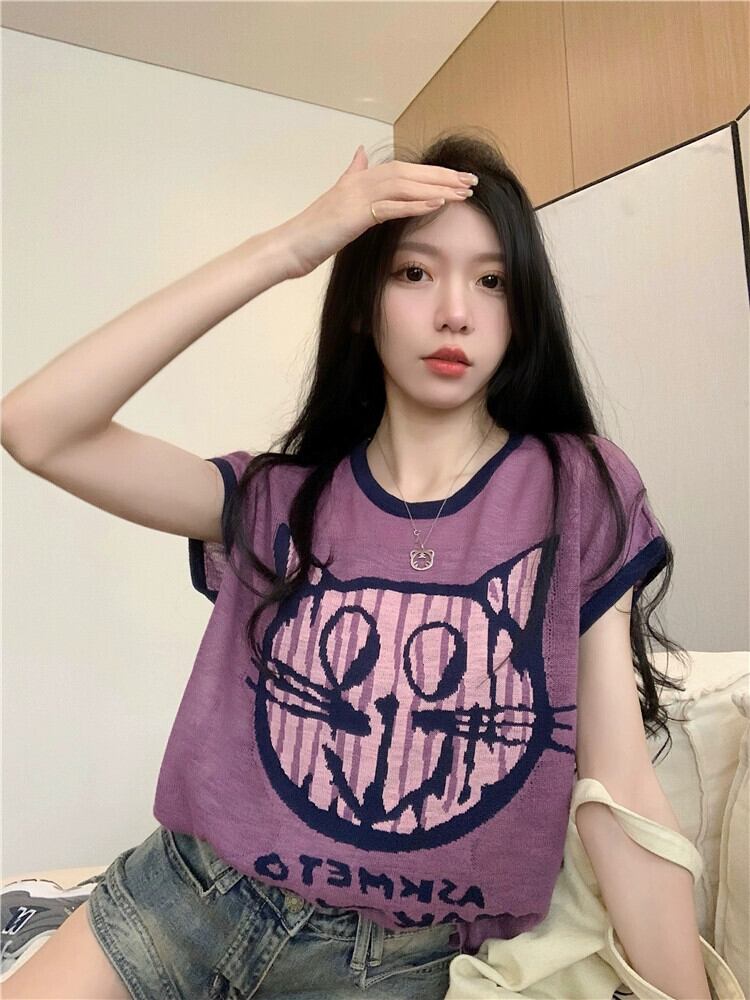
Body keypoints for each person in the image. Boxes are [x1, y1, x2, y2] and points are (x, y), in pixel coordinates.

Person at [0, 133, 686, 999]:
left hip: (396, 963)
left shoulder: (576, 488)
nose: (455, 313)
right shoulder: (277, 499)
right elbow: (37, 427)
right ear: (364, 304)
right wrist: (292, 246)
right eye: (414, 273)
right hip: (190, 899)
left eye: (492, 281)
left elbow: (618, 786)